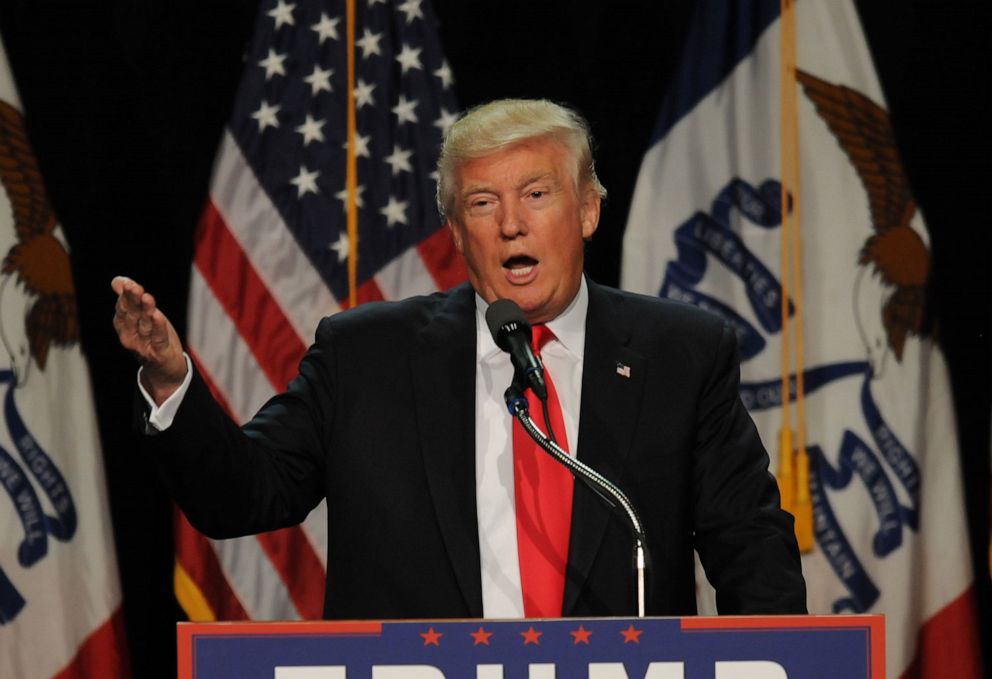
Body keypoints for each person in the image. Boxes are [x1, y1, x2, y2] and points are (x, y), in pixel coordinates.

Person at [112, 99, 806, 620]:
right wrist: (171, 381)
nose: (511, 223)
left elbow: (751, 549)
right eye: (483, 202)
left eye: (536, 194)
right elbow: (242, 493)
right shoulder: (363, 356)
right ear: (454, 230)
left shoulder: (679, 353)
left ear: (588, 209)